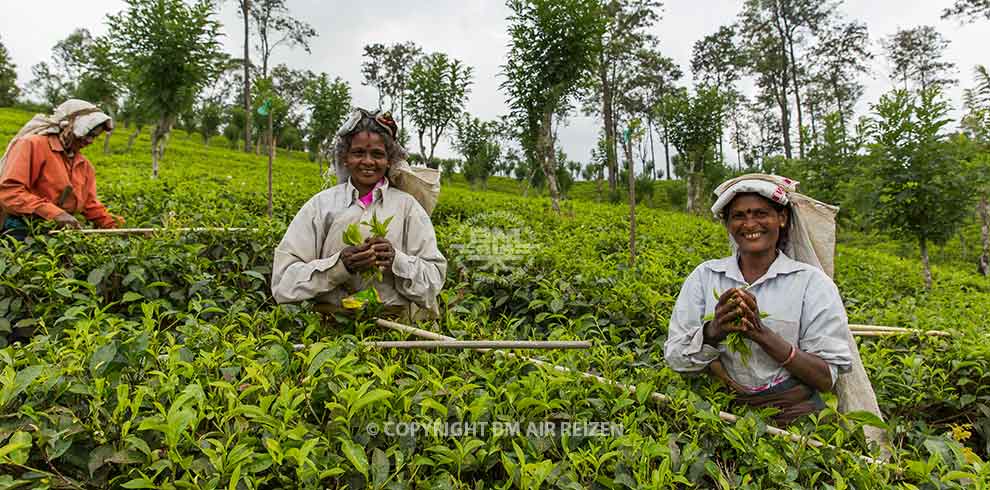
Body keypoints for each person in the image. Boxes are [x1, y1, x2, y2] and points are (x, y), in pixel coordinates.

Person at [663, 175, 852, 426]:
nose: (750, 224)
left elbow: (826, 378)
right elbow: (676, 358)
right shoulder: (705, 277)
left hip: (797, 420)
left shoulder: (811, 284)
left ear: (781, 218)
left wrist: (761, 333)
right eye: (739, 216)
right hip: (722, 417)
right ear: (728, 224)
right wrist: (714, 331)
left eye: (761, 213)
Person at [271, 108, 446, 321]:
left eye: (377, 154)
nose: (368, 161)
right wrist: (340, 265)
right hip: (331, 328)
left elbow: (434, 279)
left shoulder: (408, 208)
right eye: (358, 153)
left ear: (389, 160)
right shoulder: (321, 206)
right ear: (345, 157)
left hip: (395, 332)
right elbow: (283, 284)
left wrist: (396, 261)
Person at [0, 99, 122, 240]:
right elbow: (10, 192)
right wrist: (55, 214)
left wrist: (116, 226)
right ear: (68, 126)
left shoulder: (84, 165)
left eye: (94, 137)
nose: (90, 141)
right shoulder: (32, 145)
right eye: (88, 133)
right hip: (24, 228)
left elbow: (90, 204)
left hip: (60, 233)